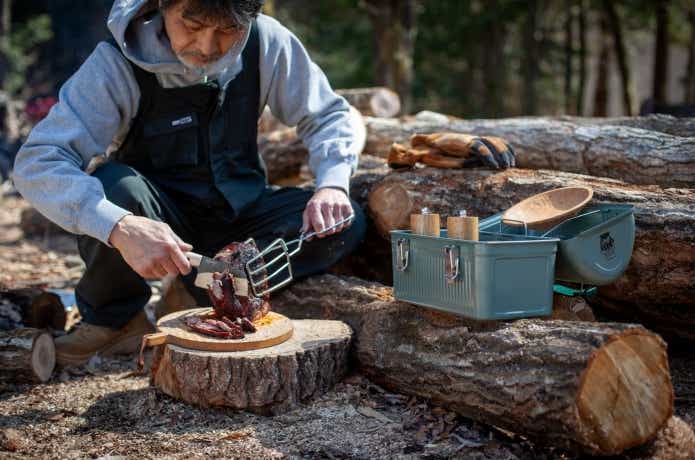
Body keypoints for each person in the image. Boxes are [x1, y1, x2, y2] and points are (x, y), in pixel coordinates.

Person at [13, 0, 367, 366]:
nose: (208, 48)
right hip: (157, 220)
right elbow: (38, 161)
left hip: (241, 217)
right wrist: (120, 226)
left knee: (343, 223)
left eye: (228, 30)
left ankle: (205, 296)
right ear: (161, 6)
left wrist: (332, 184)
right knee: (113, 189)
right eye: (193, 26)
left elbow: (329, 114)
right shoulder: (115, 62)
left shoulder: (267, 42)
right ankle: (116, 320)